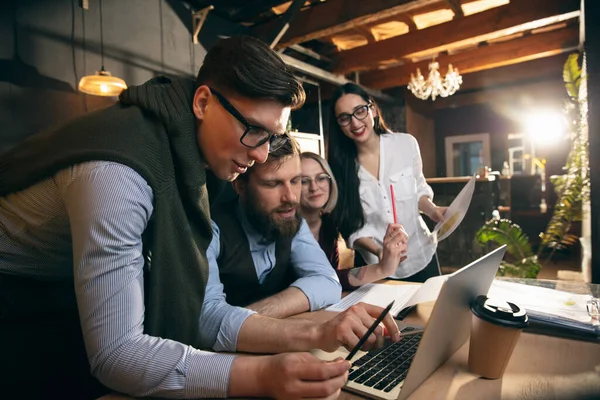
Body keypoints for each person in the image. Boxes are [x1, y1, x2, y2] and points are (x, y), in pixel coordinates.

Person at [0, 36, 401, 400]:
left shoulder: (210, 159)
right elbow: (117, 353)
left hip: (65, 280)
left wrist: (319, 331)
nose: (262, 155)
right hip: (17, 293)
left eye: (271, 136)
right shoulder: (117, 174)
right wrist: (261, 375)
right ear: (203, 103)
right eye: (254, 131)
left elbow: (203, 310)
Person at [209, 136, 343, 319]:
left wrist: (251, 316)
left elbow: (328, 282)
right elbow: (208, 319)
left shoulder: (290, 218)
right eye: (273, 184)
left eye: (296, 181)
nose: (291, 198)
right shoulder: (211, 227)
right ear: (240, 185)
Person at [327, 83, 447, 283]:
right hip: (376, 266)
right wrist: (380, 251)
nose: (355, 123)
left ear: (372, 109)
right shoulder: (338, 169)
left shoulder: (406, 144)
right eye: (345, 118)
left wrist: (433, 210)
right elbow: (350, 226)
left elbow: (417, 189)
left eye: (359, 111)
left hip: (421, 255)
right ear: (338, 124)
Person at [300, 151, 408, 290]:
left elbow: (333, 276)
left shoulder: (328, 223)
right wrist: (381, 269)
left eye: (321, 178)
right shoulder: (289, 229)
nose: (314, 187)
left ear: (330, 181)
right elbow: (321, 281)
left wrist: (382, 263)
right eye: (304, 181)